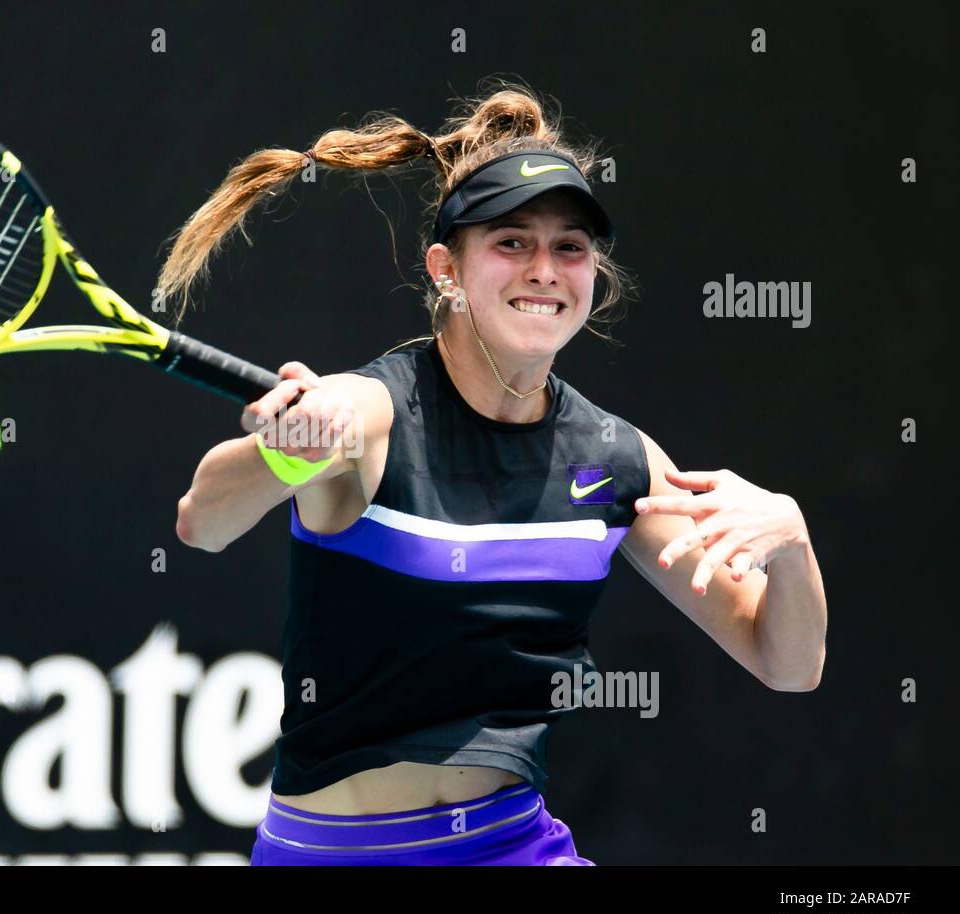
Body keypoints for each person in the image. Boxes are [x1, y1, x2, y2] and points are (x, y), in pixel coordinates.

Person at [164, 81, 827, 865]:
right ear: (446, 268)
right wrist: (283, 452)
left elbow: (787, 663)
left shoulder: (618, 459)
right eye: (512, 242)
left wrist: (791, 538)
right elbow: (201, 523)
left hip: (511, 846)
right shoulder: (369, 413)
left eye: (570, 246)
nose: (545, 269)